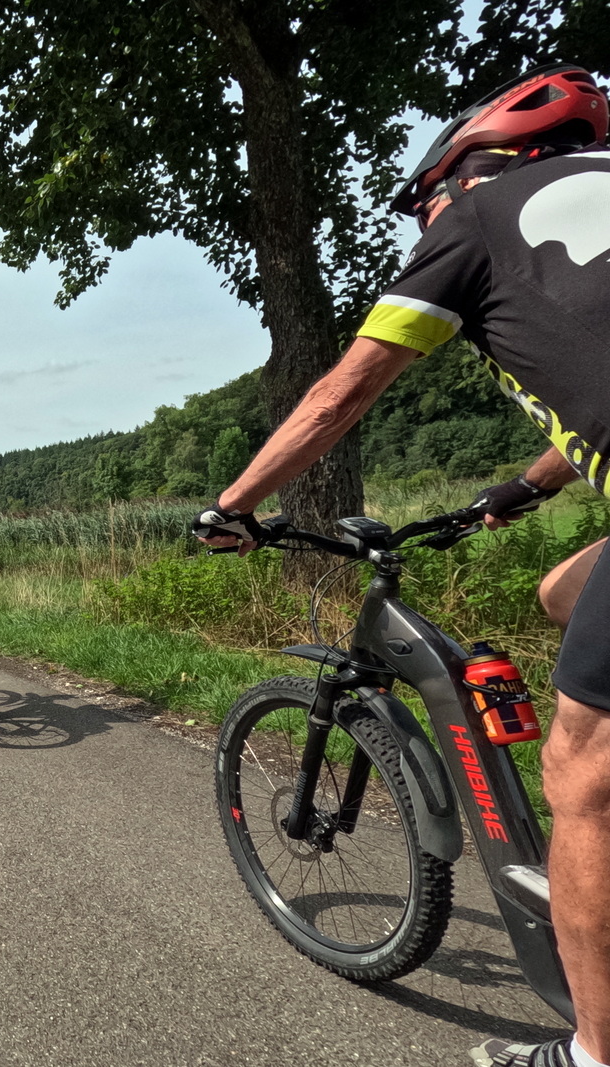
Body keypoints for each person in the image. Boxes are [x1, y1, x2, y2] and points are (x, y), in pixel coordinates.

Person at [192, 64, 609, 1067]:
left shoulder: (471, 223)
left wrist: (234, 506)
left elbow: (341, 393)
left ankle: (591, 1048)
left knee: (576, 769)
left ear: (468, 167)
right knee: (563, 589)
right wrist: (525, 485)